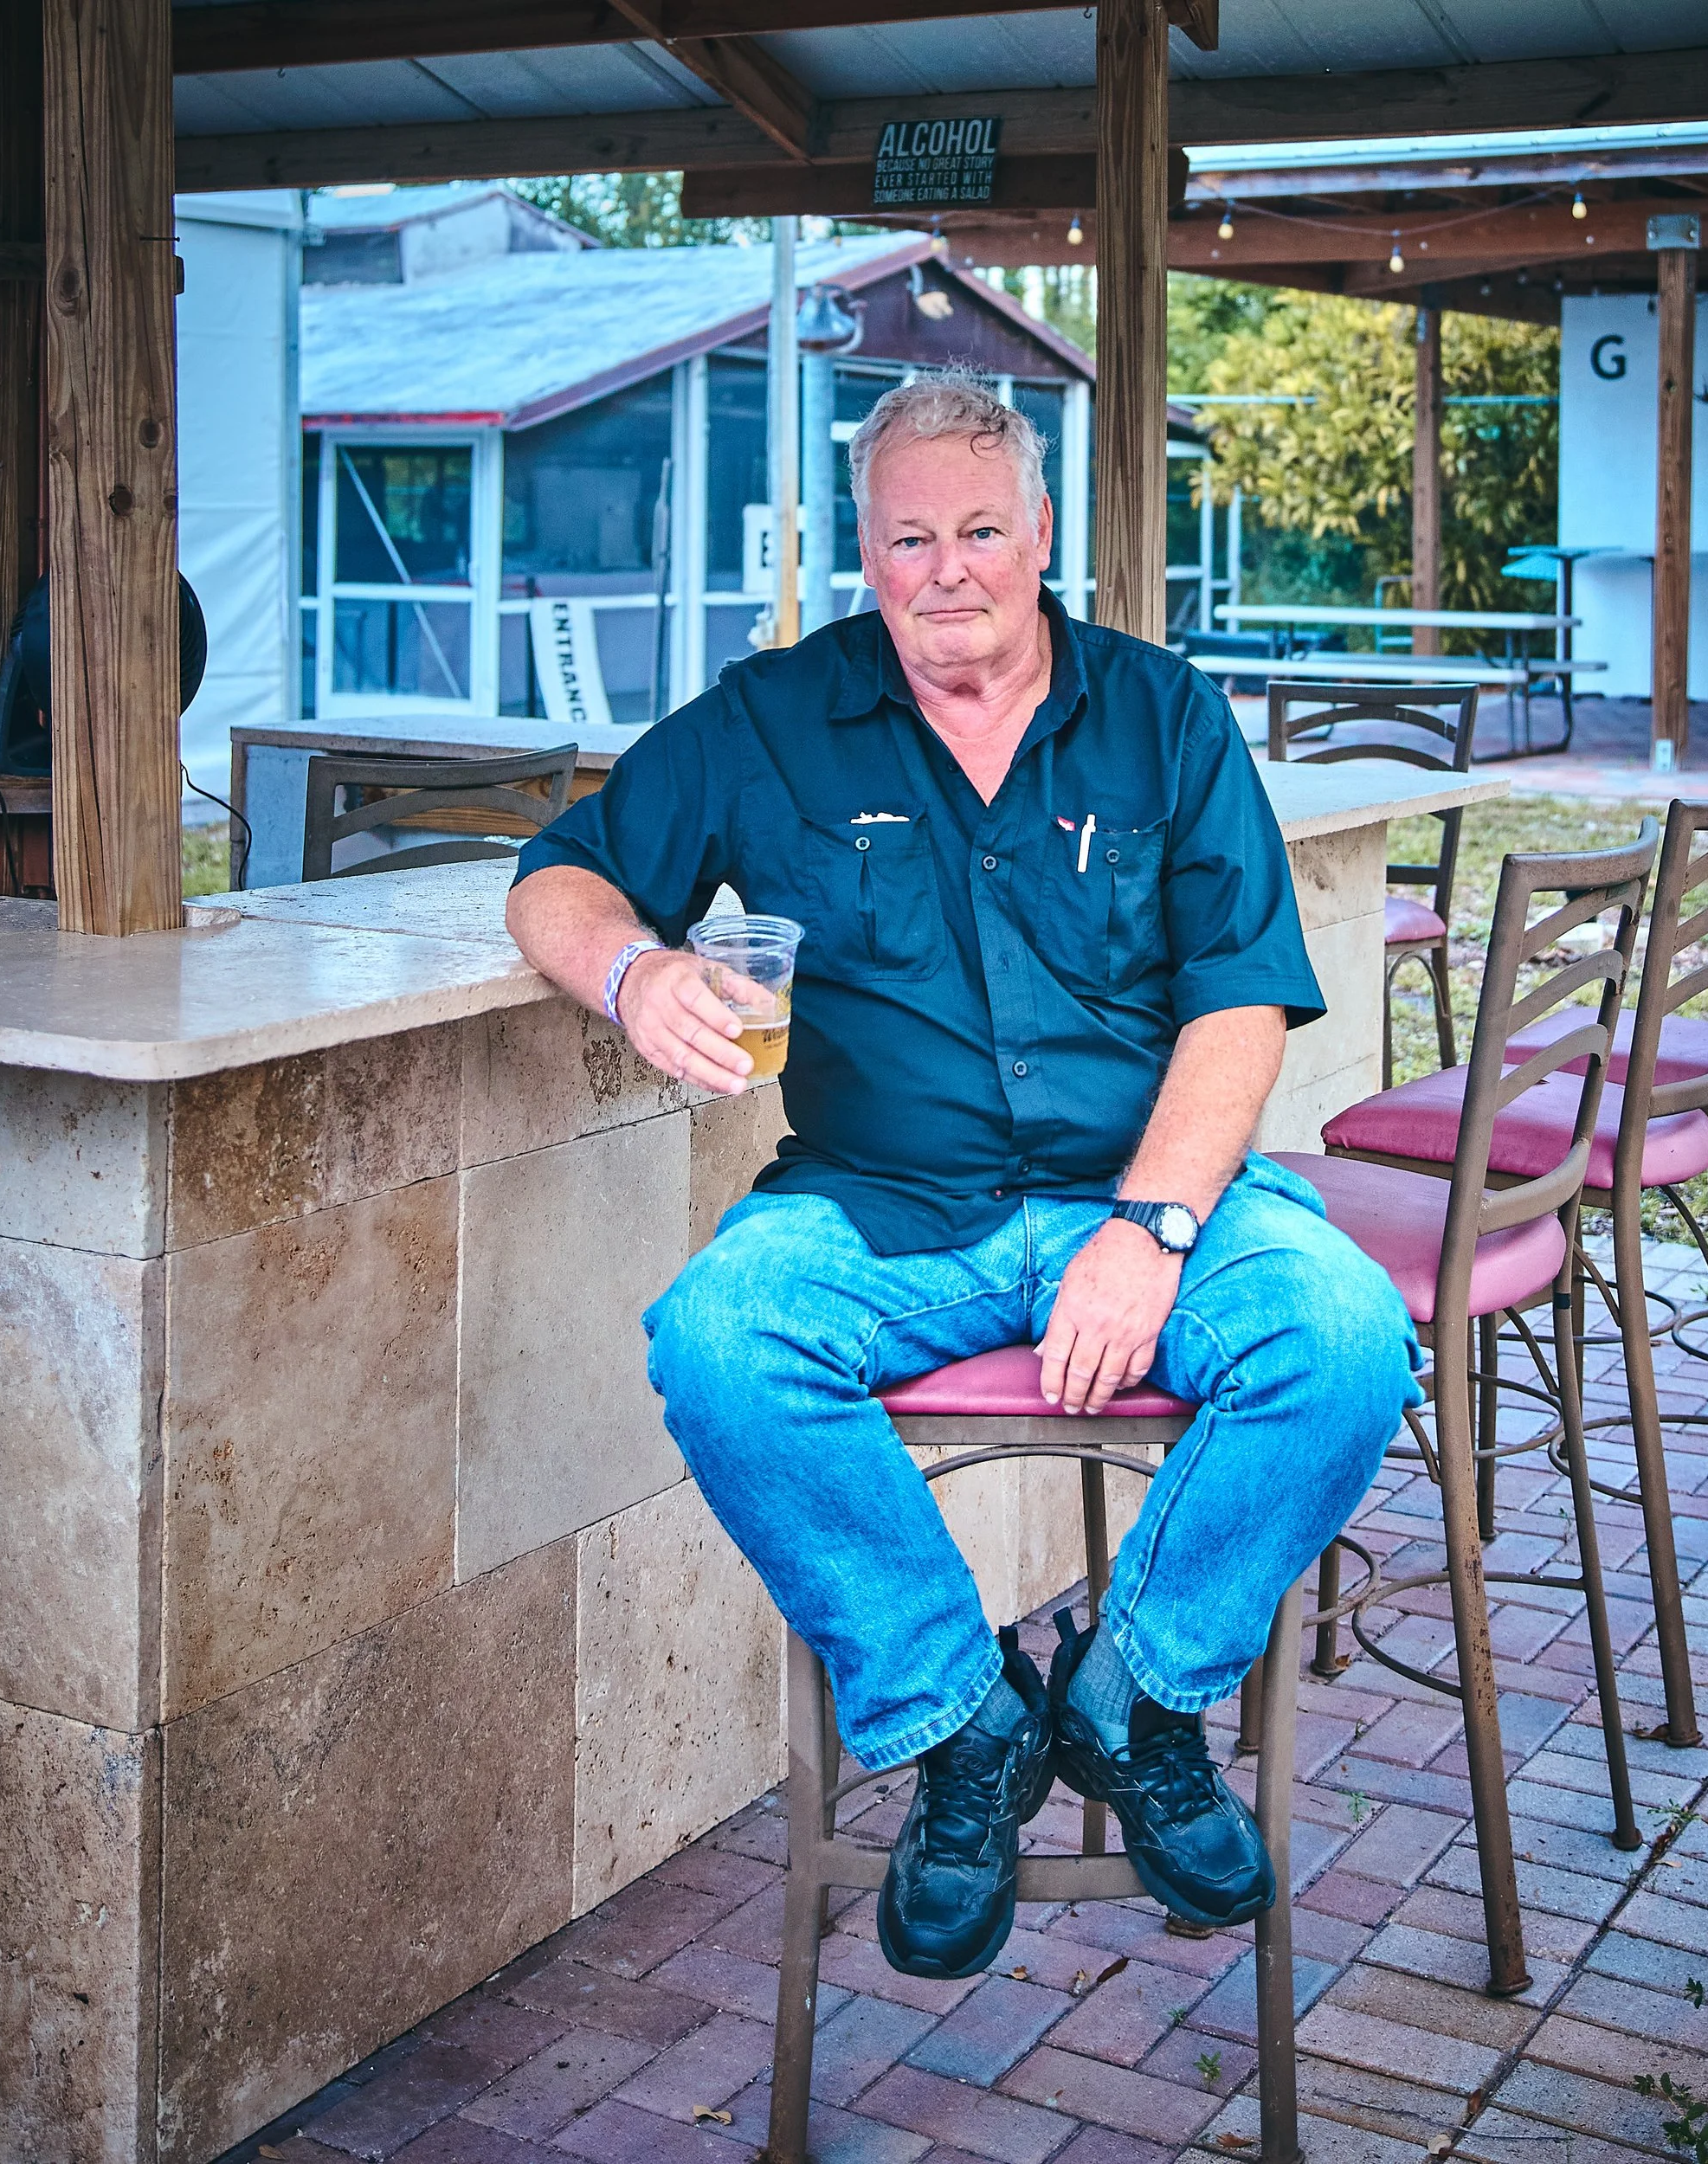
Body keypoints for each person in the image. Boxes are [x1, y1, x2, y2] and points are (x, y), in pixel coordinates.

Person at [506, 371, 1421, 1982]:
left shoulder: (1163, 717)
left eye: (982, 529)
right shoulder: (774, 718)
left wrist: (1150, 1226)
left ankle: (1135, 1699)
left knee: (1343, 1340)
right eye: (910, 535)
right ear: (865, 548)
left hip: (1156, 1199)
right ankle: (965, 1723)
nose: (949, 568)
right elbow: (557, 874)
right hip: (882, 1206)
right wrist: (636, 975)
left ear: (1041, 535)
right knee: (720, 1339)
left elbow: (1240, 1002)